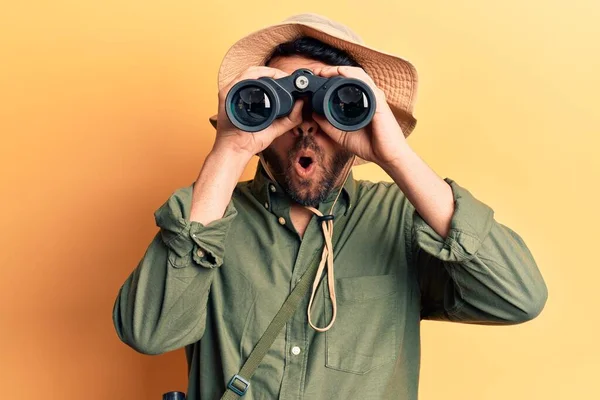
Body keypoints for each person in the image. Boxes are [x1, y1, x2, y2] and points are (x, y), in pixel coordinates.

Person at [112, 13, 548, 400]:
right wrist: (229, 150)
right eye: (283, 104)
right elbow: (149, 331)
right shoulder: (211, 219)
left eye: (331, 103)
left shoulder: (400, 221)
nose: (305, 126)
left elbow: (518, 298)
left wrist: (396, 155)